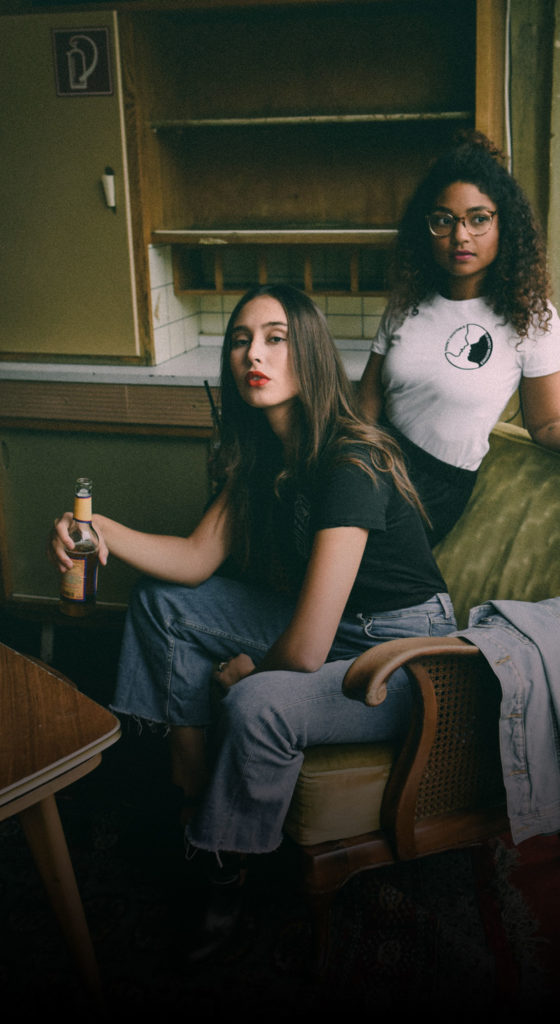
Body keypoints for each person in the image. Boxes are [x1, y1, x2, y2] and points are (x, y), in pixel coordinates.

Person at [48, 284, 457, 958]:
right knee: (160, 602)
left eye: (275, 338)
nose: (252, 355)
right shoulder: (265, 452)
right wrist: (99, 531)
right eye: (240, 339)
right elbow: (192, 559)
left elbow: (303, 649)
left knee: (260, 701)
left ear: (312, 355)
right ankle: (191, 795)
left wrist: (247, 671)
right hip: (336, 626)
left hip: (403, 651)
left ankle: (224, 865)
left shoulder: (350, 461)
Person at [358, 131, 560, 546]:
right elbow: (365, 414)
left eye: (478, 218)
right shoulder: (406, 304)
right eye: (444, 220)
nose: (461, 236)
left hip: (434, 489)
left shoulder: (533, 318)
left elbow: (548, 424)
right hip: (374, 465)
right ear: (428, 227)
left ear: (503, 224)